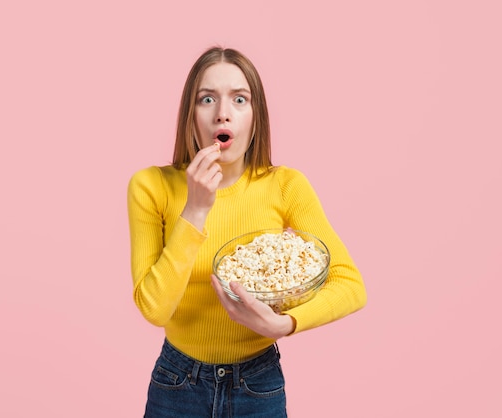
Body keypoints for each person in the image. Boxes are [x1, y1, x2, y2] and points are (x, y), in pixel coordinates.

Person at [127, 46, 367, 417]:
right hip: (177, 383)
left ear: (256, 117)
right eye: (207, 99)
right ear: (189, 116)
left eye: (240, 99)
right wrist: (196, 209)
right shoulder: (150, 187)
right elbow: (155, 309)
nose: (223, 112)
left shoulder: (285, 186)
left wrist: (284, 324)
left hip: (257, 384)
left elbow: (350, 284)